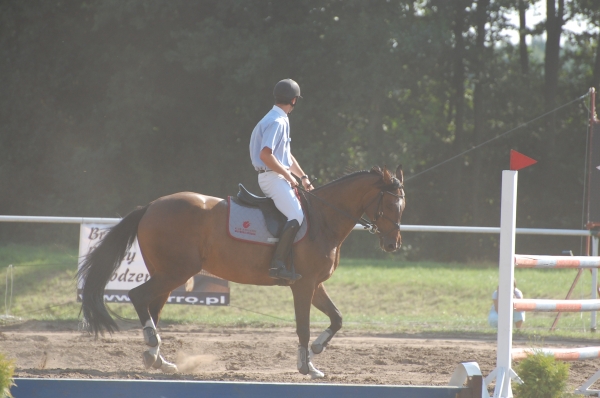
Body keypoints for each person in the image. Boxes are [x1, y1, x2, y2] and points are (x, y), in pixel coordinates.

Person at [249, 78, 313, 282]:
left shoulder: (279, 118)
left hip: (275, 175)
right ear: (294, 100)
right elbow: (266, 155)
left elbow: (285, 155)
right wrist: (288, 176)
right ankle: (277, 265)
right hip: (271, 177)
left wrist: (302, 177)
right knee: (296, 215)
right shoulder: (277, 121)